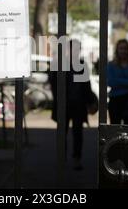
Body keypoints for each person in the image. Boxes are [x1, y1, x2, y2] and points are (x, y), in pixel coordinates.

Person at [49, 39, 95, 171]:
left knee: (78, 133)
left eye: (77, 48)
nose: (75, 51)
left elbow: (86, 85)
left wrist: (90, 101)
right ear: (67, 50)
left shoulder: (81, 64)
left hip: (78, 104)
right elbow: (53, 83)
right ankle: (61, 159)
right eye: (72, 48)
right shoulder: (59, 64)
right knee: (62, 133)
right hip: (63, 104)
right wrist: (58, 99)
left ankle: (76, 159)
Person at [107, 39, 128, 125]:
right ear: (117, 50)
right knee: (114, 127)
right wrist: (127, 81)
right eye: (121, 48)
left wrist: (118, 80)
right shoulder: (111, 65)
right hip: (114, 99)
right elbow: (110, 82)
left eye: (125, 48)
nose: (123, 51)